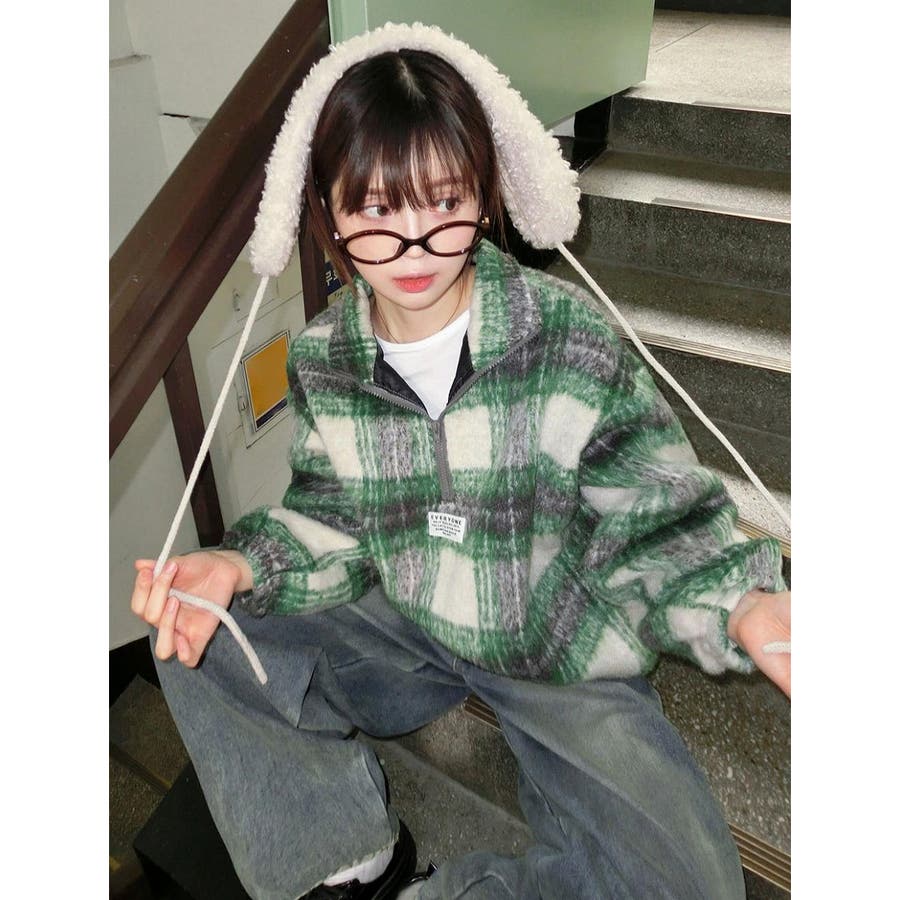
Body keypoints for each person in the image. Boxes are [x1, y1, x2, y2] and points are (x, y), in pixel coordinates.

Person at [131, 23, 790, 900]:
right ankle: (348, 860)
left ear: (485, 194)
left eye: (443, 201)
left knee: (692, 887)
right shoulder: (325, 356)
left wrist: (741, 603)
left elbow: (652, 507)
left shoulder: (564, 336)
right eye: (376, 210)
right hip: (405, 617)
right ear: (326, 211)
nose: (413, 245)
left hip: (556, 649)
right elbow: (332, 512)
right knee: (195, 623)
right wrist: (238, 564)